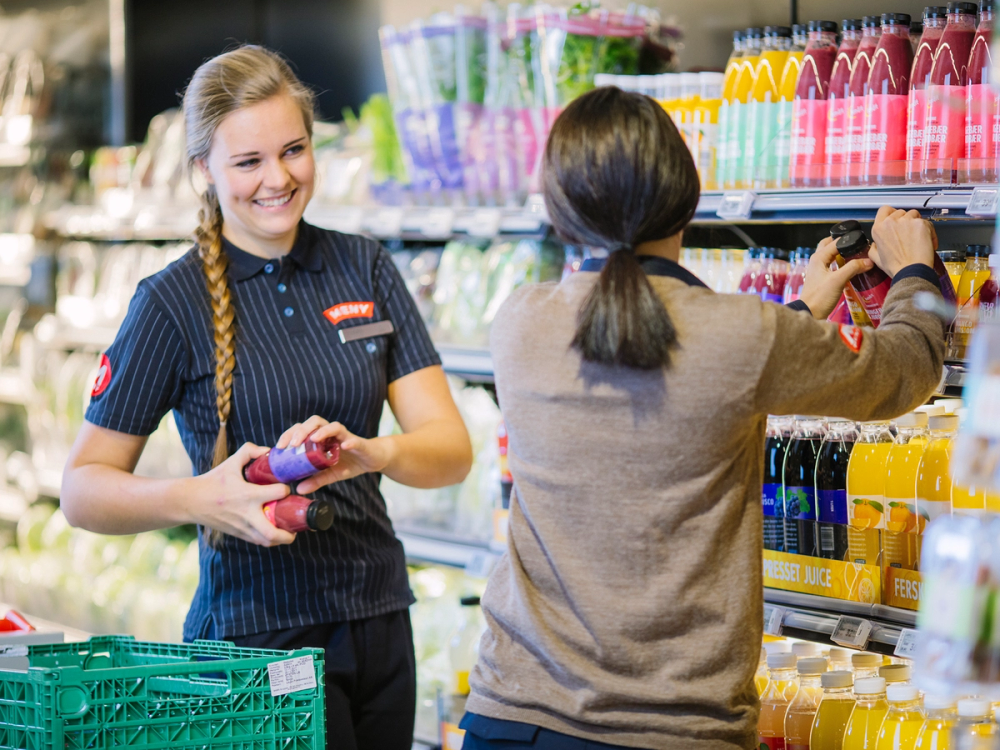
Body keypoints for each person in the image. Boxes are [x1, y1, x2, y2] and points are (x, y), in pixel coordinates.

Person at [460, 87, 944, 749]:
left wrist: (798, 318)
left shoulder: (521, 320)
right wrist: (917, 271)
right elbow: (906, 371)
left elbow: (681, 372)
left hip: (513, 718)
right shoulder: (744, 336)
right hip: (673, 729)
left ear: (559, 208)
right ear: (687, 194)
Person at [60, 45, 472, 750]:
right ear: (203, 172)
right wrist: (201, 498)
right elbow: (82, 490)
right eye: (248, 162)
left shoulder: (363, 264)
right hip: (257, 643)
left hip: (380, 623)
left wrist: (373, 452)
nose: (278, 179)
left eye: (294, 150)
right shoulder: (171, 301)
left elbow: (451, 452)